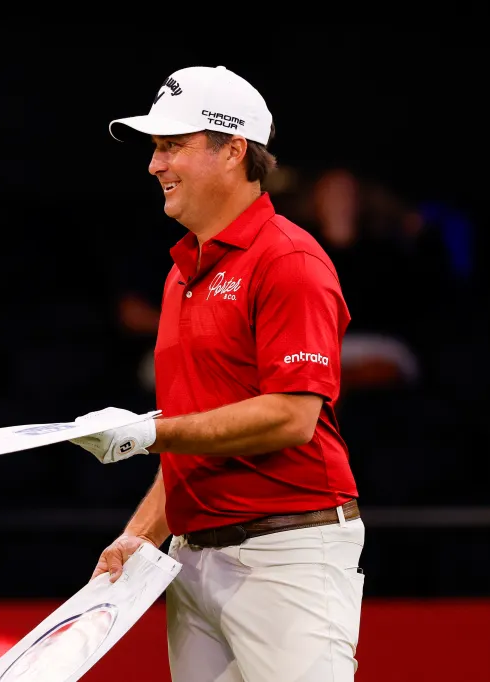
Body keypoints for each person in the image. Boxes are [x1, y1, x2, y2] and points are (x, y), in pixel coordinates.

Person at [68, 66, 364, 682]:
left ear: (234, 151)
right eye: (155, 149)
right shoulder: (183, 271)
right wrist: (141, 535)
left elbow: (292, 415)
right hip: (193, 557)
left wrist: (152, 433)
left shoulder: (290, 260)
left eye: (172, 146)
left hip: (288, 555)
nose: (155, 165)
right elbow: (195, 437)